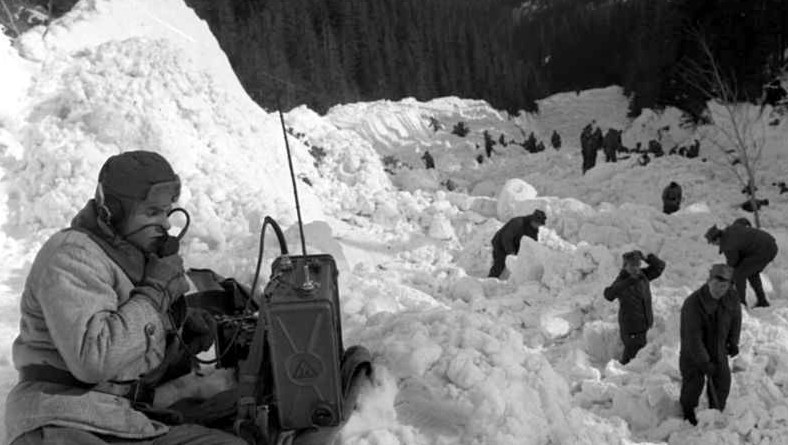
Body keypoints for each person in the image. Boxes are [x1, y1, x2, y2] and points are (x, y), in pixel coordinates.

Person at [5, 151, 246, 444]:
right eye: (152, 213)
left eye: (167, 212)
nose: (167, 225)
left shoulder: (129, 261)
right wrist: (155, 294)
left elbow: (128, 357)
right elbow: (94, 359)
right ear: (112, 212)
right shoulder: (72, 255)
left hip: (114, 417)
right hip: (63, 421)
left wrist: (178, 335)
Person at [679, 264, 742, 426]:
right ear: (708, 281)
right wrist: (704, 362)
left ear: (729, 286)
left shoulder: (732, 297)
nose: (719, 290)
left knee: (722, 381)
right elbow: (693, 337)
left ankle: (716, 410)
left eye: (723, 286)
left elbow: (736, 319)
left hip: (718, 347)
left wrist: (733, 341)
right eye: (716, 285)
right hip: (694, 352)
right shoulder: (693, 303)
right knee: (693, 383)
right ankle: (687, 411)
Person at [603, 250, 665, 364]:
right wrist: (627, 282)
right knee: (631, 361)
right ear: (625, 266)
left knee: (640, 359)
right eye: (632, 265)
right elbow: (608, 295)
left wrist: (647, 258)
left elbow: (660, 267)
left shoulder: (643, 276)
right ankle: (617, 376)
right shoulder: (621, 280)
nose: (636, 268)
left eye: (638, 265)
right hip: (631, 329)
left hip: (645, 325)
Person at [705, 223, 778, 307]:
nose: (714, 245)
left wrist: (726, 279)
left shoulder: (727, 244)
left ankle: (741, 304)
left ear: (717, 238)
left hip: (762, 250)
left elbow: (733, 263)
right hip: (768, 245)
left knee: (739, 275)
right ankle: (762, 301)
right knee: (751, 273)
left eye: (713, 242)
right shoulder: (730, 231)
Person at [488, 209, 547, 278]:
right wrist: (511, 252)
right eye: (538, 224)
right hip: (500, 242)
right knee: (500, 262)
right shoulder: (518, 222)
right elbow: (506, 238)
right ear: (533, 220)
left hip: (515, 243)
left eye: (539, 225)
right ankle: (490, 280)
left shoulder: (534, 229)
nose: (538, 226)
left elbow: (532, 243)